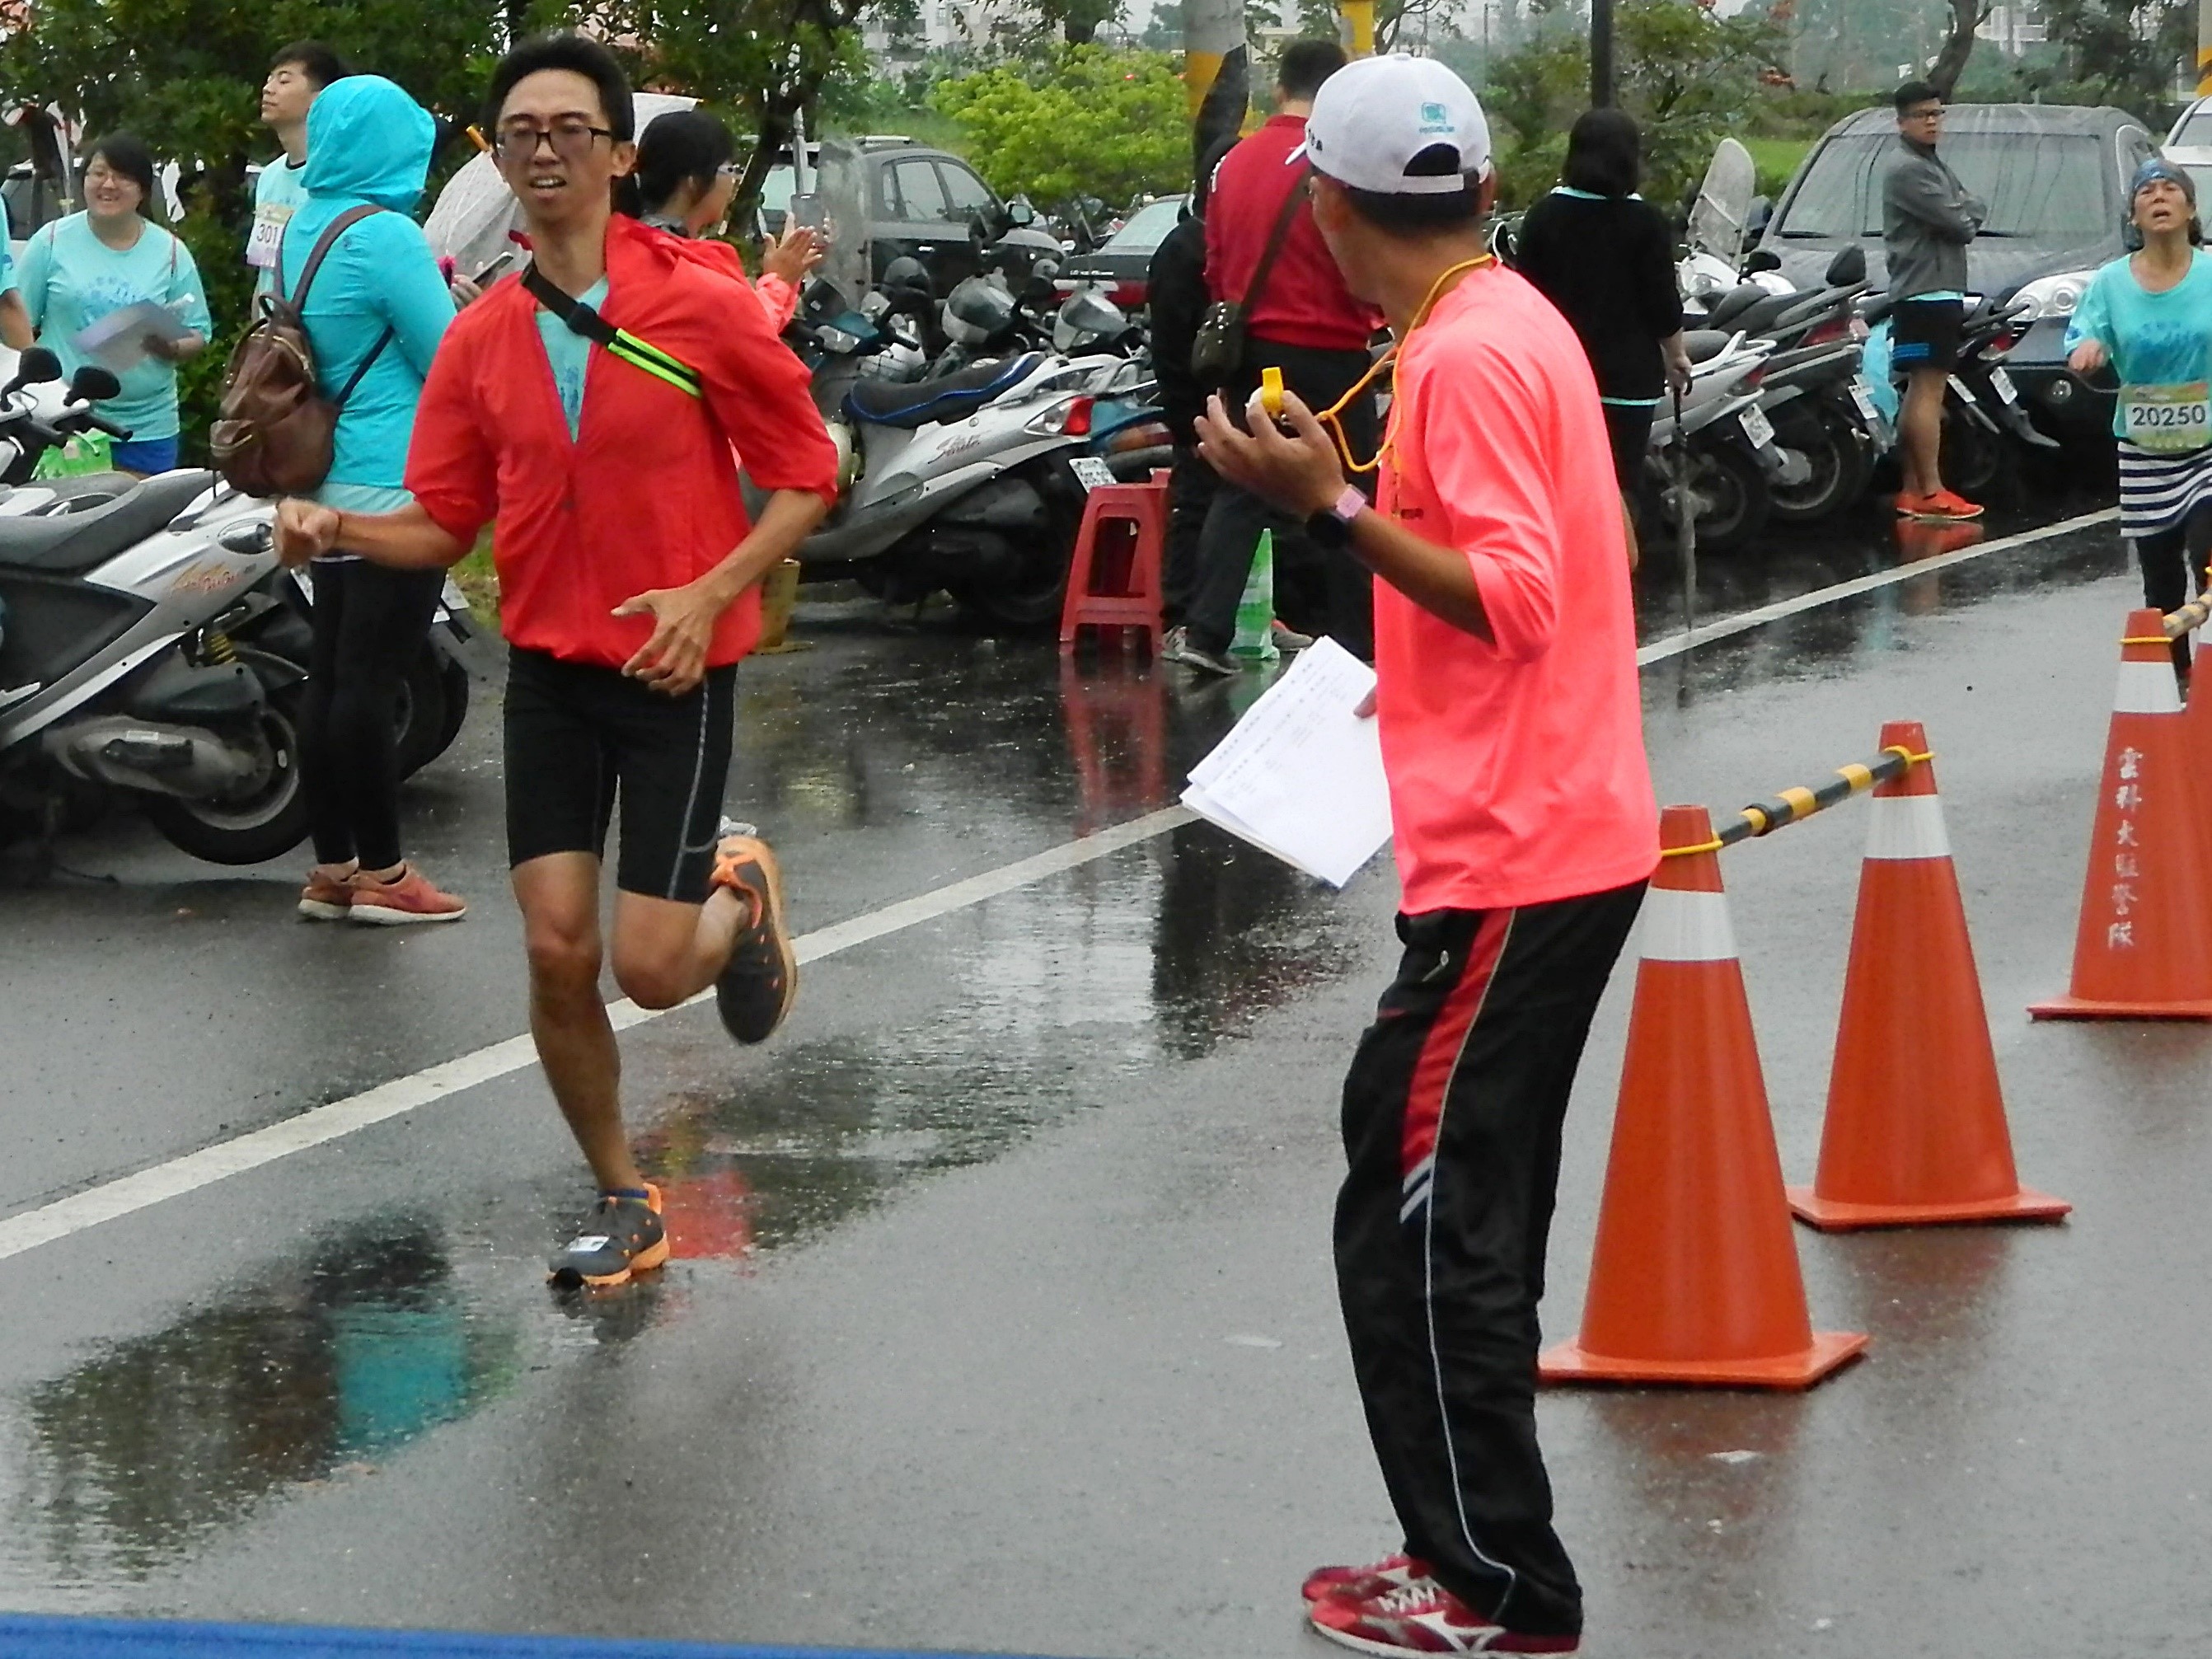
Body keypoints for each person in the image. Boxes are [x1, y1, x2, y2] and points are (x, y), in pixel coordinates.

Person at [1195, 54, 1656, 1658]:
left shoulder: (1467, 353)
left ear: (1322, 206)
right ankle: (1477, 1560)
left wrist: (1326, 511)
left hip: (1525, 855)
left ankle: (1488, 1584)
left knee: (1420, 1208)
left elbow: (1517, 595)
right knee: (1448, 1190)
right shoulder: (1493, 323)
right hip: (1543, 832)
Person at [272, 34, 837, 1291]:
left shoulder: (699, 301)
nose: (542, 148)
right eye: (518, 130)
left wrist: (710, 587)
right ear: (497, 154)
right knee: (552, 949)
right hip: (548, 674)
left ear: (620, 154)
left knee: (646, 966)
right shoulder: (481, 340)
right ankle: (624, 1193)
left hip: (674, 671)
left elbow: (810, 474)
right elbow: (444, 522)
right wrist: (340, 526)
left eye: (570, 128)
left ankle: (741, 891)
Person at [285, 76, 467, 926]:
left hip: (320, 488)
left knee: (330, 678)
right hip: (393, 485)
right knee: (369, 681)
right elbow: (451, 358)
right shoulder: (386, 234)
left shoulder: (301, 222)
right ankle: (389, 877)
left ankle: (332, 869)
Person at [1165, 37, 1380, 676]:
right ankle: (1355, 645)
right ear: (1336, 90)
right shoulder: (1338, 161)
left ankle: (1204, 634)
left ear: (1279, 87)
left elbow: (1215, 263)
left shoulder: (1231, 163)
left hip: (1254, 354)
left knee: (1242, 490)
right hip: (1332, 356)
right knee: (1347, 493)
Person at [2067, 157, 2212, 687]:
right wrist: (2087, 346)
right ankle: (2177, 685)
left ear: (2190, 208)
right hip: (2144, 448)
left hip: (2208, 446)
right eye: (2146, 191)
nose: (2158, 197)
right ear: (2134, 216)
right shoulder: (2111, 283)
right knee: (2161, 585)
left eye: (2170, 189)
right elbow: (2086, 330)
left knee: (2208, 550)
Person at [1513, 108, 1689, 499]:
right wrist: (1676, 356)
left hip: (1556, 379)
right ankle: (1617, 559)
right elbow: (1662, 303)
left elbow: (1522, 299)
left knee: (1557, 487)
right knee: (1618, 488)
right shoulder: (1647, 221)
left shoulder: (1543, 217)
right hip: (1627, 386)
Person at [16, 134, 211, 476]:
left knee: (141, 526)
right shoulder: (50, 242)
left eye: (122, 176)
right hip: (65, 423)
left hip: (147, 426)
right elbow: (16, 324)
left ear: (142, 189)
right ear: (83, 181)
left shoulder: (170, 252)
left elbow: (199, 333)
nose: (108, 184)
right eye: (98, 173)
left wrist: (170, 346)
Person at [1884, 79, 1986, 522]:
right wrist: (1963, 208)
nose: (1932, 122)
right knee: (1928, 390)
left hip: (1931, 291)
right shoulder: (1908, 169)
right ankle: (1930, 490)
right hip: (1927, 291)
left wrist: (1964, 207)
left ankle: (1913, 488)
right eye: (1923, 115)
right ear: (1902, 121)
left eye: (1937, 113)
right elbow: (1962, 222)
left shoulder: (1931, 164)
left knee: (1920, 391)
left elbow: (1970, 206)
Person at [626, 108, 825, 330]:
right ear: (692, 181)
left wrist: (784, 276)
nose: (735, 181)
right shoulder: (673, 261)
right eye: (730, 169)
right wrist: (779, 280)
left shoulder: (633, 242)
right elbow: (746, 334)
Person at [1148, 138, 1235, 635]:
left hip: (1197, 399)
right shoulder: (1191, 249)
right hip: (1197, 401)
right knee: (1200, 503)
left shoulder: (1196, 242)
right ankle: (1182, 613)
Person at [251, 41, 350, 292]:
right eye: (269, 79)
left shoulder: (339, 178)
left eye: (283, 81)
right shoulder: (269, 177)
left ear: (320, 97)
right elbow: (265, 271)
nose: (267, 89)